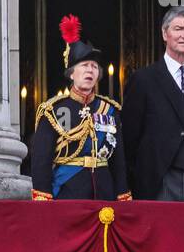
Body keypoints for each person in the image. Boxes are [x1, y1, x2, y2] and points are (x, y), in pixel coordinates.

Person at [29, 15, 130, 201]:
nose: (90, 70)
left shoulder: (109, 109)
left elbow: (118, 160)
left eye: (94, 67)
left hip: (104, 193)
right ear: (71, 73)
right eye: (84, 66)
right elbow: (41, 160)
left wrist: (122, 194)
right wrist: (43, 197)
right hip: (68, 192)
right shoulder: (55, 110)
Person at [121, 6, 184, 202]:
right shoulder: (143, 79)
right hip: (160, 179)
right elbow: (129, 138)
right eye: (178, 29)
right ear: (165, 34)